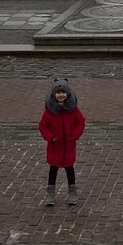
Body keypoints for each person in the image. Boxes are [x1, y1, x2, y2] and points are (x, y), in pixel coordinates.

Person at [38, 79, 85, 207]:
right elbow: (43, 126)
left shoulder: (73, 109)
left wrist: (75, 135)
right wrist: (50, 137)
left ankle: (72, 192)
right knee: (53, 170)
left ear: (67, 93)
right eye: (58, 92)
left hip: (69, 145)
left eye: (63, 92)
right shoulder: (49, 111)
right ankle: (50, 193)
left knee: (70, 170)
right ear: (54, 94)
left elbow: (80, 122)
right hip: (55, 146)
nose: (61, 95)